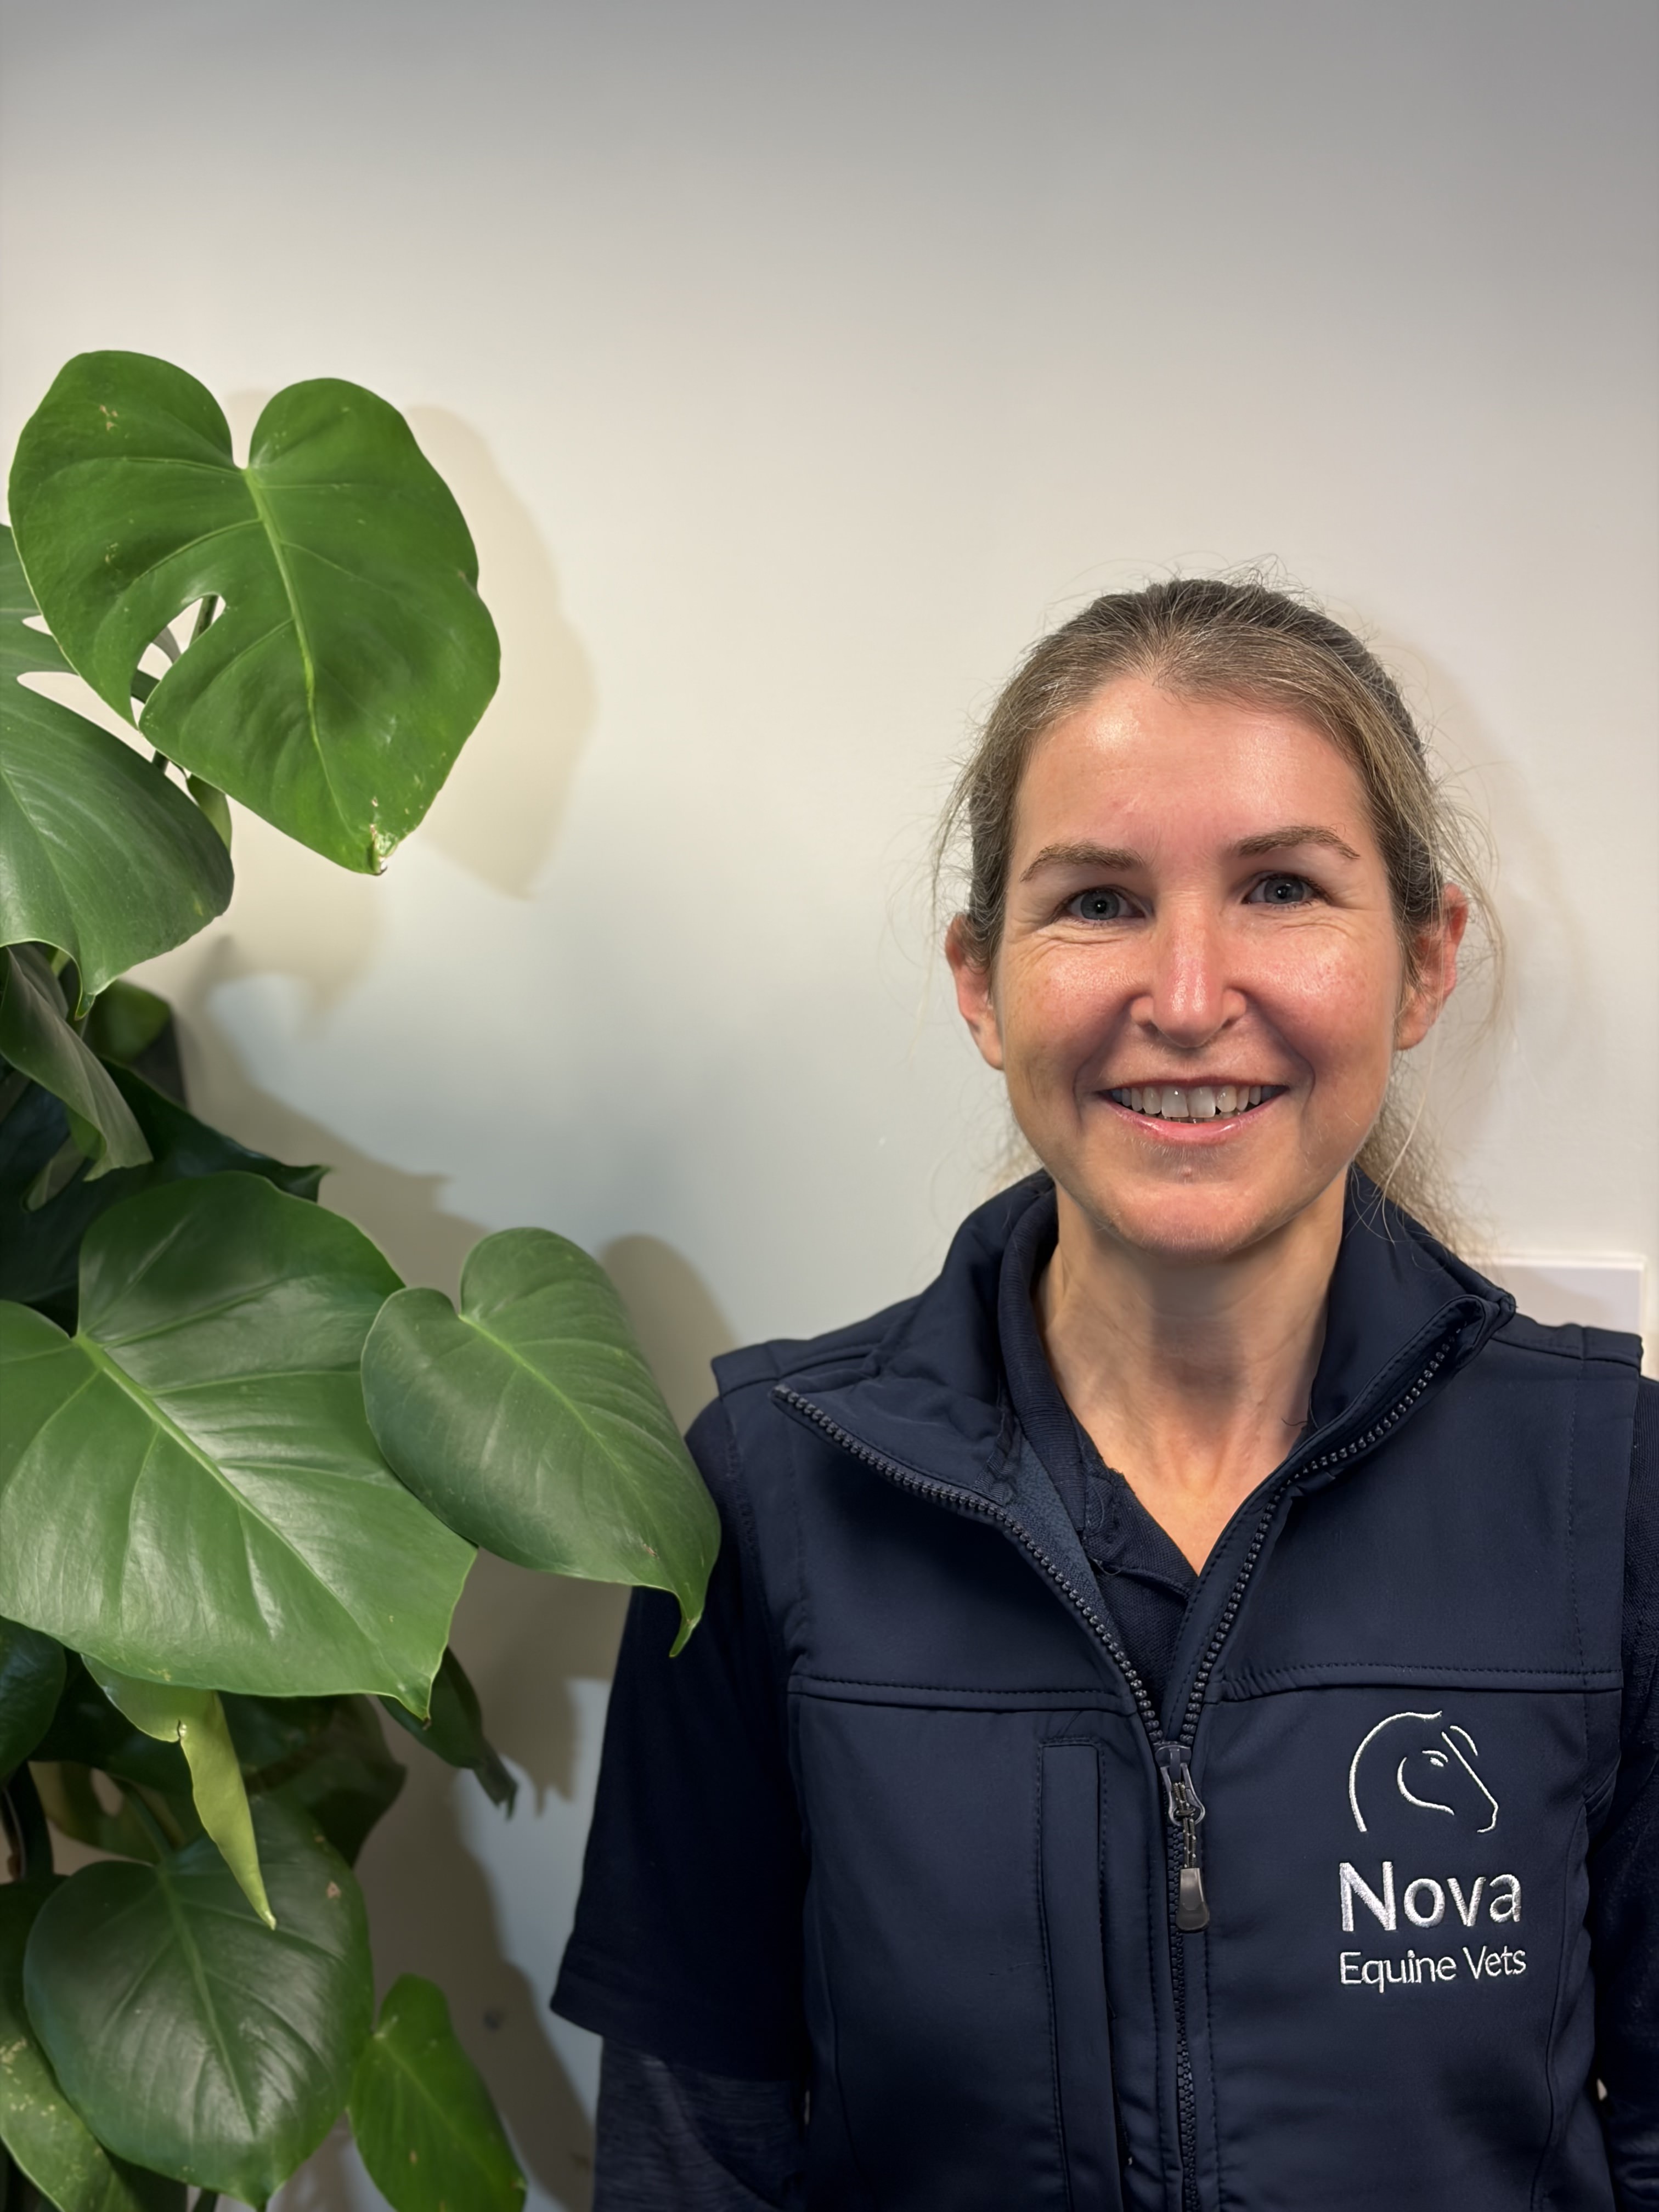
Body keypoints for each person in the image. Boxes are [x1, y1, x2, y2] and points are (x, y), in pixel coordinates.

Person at [552, 578, 1657, 2210]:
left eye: (1283, 886)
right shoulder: (775, 1500)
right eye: (1098, 901)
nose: (1191, 994)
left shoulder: (1607, 1496)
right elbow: (692, 2163)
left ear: (1423, 965)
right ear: (981, 981)